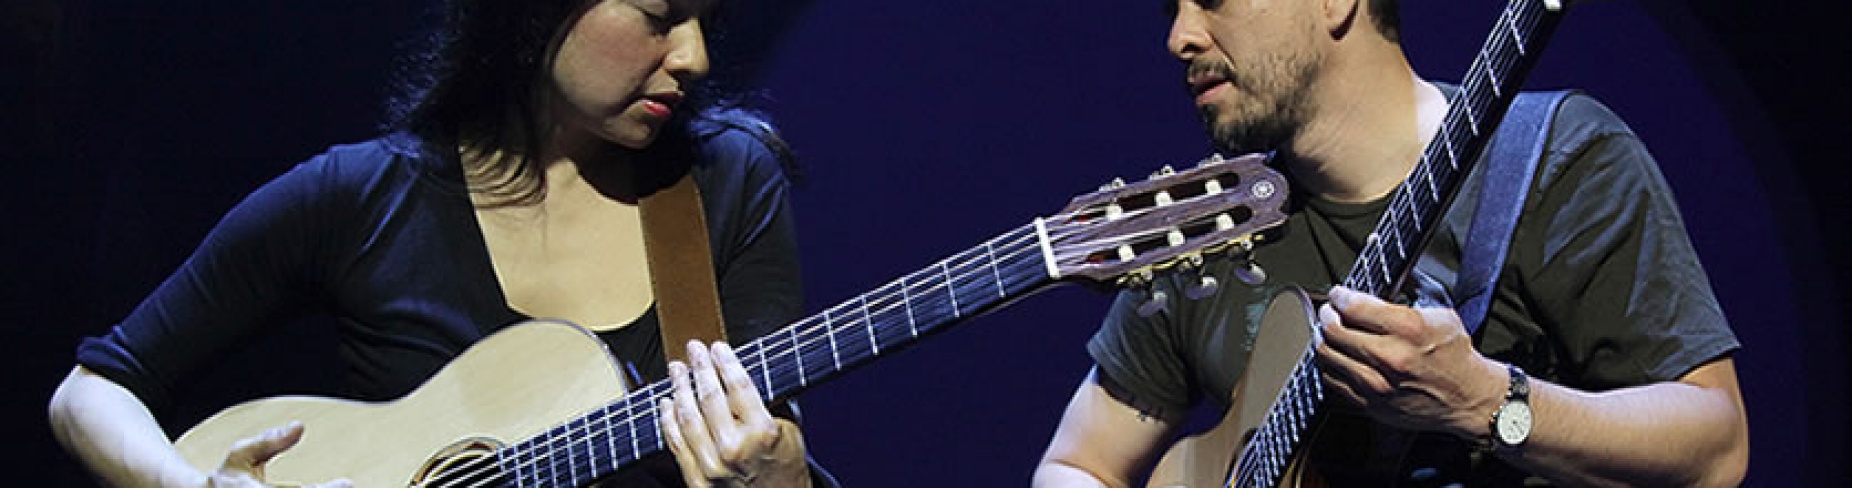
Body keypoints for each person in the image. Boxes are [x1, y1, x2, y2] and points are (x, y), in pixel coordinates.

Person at [46, 0, 831, 486]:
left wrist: (782, 481)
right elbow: (92, 391)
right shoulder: (358, 197)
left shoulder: (723, 179)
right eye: (660, 16)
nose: (694, 57)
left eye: (706, 22)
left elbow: (761, 439)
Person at [1033, 0, 1749, 486]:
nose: (1181, 36)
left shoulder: (1558, 163)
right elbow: (1077, 464)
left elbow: (1717, 449)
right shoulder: (1212, 229)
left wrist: (1481, 401)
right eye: (1173, 7)